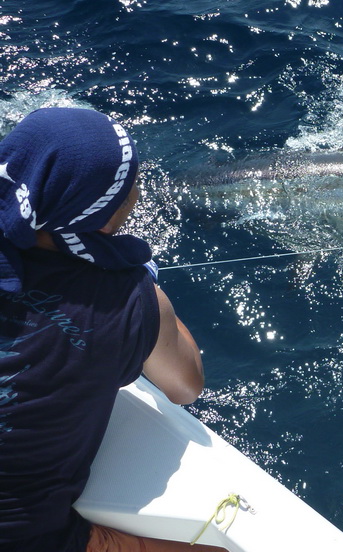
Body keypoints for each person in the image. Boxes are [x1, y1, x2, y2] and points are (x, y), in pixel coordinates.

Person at [0, 108, 226, 551]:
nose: (138, 194)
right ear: (101, 218)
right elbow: (185, 385)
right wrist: (140, 284)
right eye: (129, 188)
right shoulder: (126, 300)